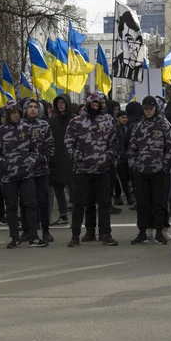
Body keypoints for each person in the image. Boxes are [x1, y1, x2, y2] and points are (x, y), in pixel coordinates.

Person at [65, 93, 119, 247]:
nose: (95, 107)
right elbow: (69, 143)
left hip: (102, 170)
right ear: (87, 105)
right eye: (92, 105)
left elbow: (114, 142)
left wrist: (108, 158)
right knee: (79, 204)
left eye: (97, 105)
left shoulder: (107, 120)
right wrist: (77, 157)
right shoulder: (76, 122)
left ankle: (105, 234)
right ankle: (76, 235)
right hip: (82, 170)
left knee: (104, 203)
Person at [0, 104, 44, 249]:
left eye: (18, 113)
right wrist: (6, 167)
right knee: (12, 207)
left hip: (26, 174)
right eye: (13, 113)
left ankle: (33, 237)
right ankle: (14, 237)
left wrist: (29, 164)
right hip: (8, 176)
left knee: (31, 205)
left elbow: (34, 151)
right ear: (8, 114)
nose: (16, 115)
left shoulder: (26, 129)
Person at [128, 96, 171, 245]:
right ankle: (142, 232)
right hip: (141, 170)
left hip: (159, 171)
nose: (148, 111)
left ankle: (160, 232)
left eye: (150, 108)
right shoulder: (138, 126)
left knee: (159, 203)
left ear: (156, 108)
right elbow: (132, 147)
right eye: (145, 109)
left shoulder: (164, 125)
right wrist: (133, 164)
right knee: (142, 203)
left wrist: (165, 164)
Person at [21, 97, 55, 243]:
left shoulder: (44, 125)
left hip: (41, 170)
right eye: (30, 107)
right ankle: (27, 230)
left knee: (43, 202)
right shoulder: (20, 125)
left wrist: (42, 159)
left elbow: (50, 147)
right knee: (25, 202)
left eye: (35, 107)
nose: (33, 109)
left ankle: (46, 230)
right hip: (24, 172)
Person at [48, 95, 75, 228]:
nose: (60, 105)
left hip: (70, 158)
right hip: (56, 158)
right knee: (58, 187)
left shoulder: (74, 120)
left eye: (63, 102)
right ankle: (63, 215)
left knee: (73, 188)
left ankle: (76, 215)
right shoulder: (52, 121)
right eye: (58, 103)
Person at [114, 111, 134, 206]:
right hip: (119, 157)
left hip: (126, 156)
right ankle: (128, 197)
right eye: (122, 117)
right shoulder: (115, 129)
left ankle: (118, 197)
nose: (125, 119)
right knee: (123, 179)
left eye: (126, 117)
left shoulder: (126, 128)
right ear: (117, 118)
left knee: (124, 178)